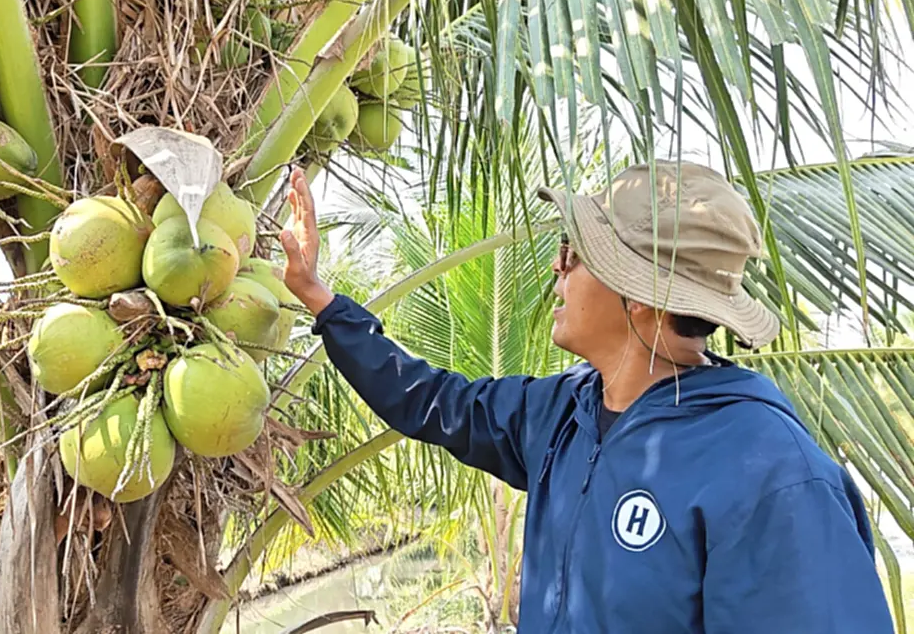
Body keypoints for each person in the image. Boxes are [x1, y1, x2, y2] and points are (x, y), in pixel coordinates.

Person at [277, 162, 896, 633]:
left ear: (642, 297)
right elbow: (432, 401)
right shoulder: (561, 415)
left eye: (575, 254)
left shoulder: (769, 474)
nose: (556, 267)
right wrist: (320, 301)